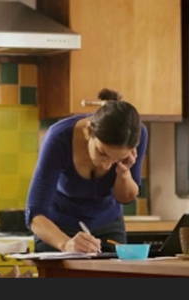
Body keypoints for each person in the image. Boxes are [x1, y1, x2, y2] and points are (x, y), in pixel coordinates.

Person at [26, 88, 148, 253]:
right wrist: (66, 244)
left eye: (116, 159)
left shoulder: (137, 135)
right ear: (88, 131)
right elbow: (35, 214)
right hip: (58, 228)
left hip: (108, 224)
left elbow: (125, 198)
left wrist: (124, 174)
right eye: (102, 153)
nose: (107, 165)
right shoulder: (58, 138)